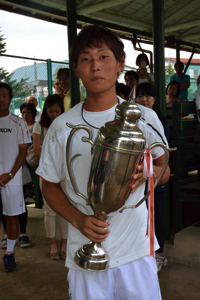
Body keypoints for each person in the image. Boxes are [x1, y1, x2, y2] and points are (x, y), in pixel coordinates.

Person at [36, 25, 170, 299]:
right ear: (76, 69)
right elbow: (48, 184)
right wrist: (79, 219)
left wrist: (151, 172)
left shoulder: (144, 118)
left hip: (135, 250)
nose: (95, 66)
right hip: (83, 253)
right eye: (86, 59)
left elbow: (164, 171)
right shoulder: (62, 126)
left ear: (120, 63)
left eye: (103, 56)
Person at [136, 82, 169, 271]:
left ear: (155, 99)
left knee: (156, 215)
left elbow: (160, 153)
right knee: (144, 215)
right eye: (140, 96)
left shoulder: (159, 119)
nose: (144, 99)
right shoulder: (134, 119)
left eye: (148, 96)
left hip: (156, 174)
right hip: (140, 178)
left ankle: (160, 254)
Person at [32, 94, 68, 260]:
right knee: (50, 210)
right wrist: (50, 167)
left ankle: (65, 243)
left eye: (57, 111)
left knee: (65, 210)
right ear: (46, 111)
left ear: (62, 110)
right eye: (51, 111)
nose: (54, 115)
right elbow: (37, 149)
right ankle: (53, 243)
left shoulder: (67, 125)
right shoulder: (39, 126)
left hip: (65, 173)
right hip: (47, 173)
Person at [0, 82, 31, 272]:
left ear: (10, 99)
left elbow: (23, 152)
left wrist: (10, 174)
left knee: (11, 217)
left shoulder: (18, 123)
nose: (0, 99)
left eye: (4, 95)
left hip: (11, 180)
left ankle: (9, 253)